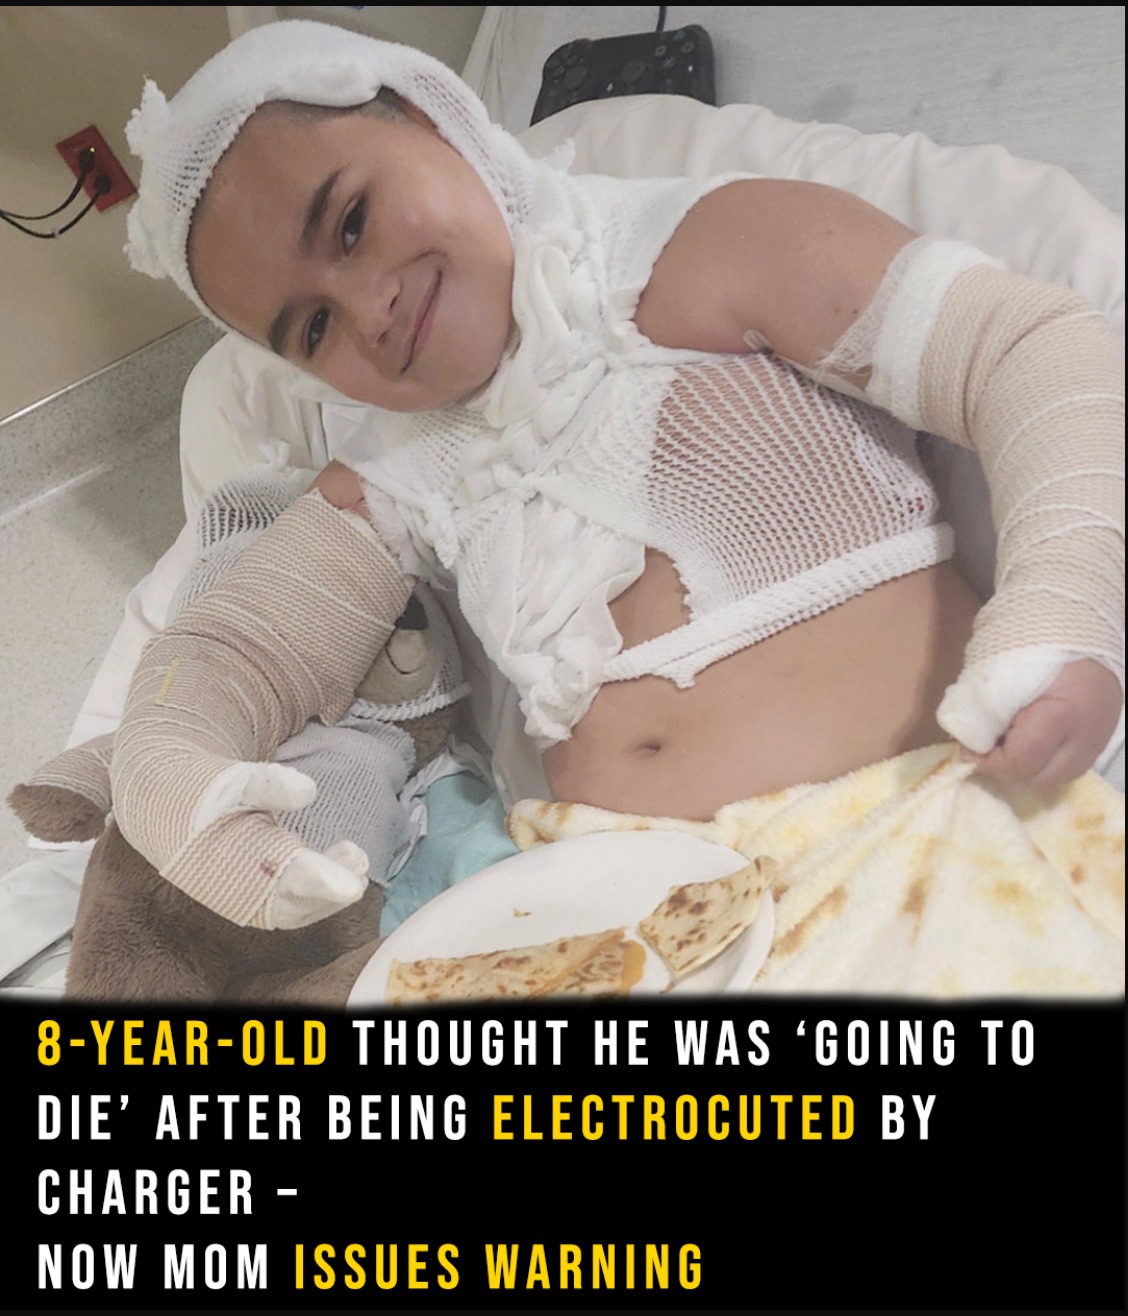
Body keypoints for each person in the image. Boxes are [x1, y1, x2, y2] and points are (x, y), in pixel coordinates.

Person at [111, 20, 1123, 934]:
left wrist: (1066, 602)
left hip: (918, 840)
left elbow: (1027, 350)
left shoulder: (714, 247)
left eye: (349, 223)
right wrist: (168, 782)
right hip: (630, 923)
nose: (366, 307)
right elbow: (232, 653)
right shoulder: (389, 469)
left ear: (432, 116)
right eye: (312, 328)